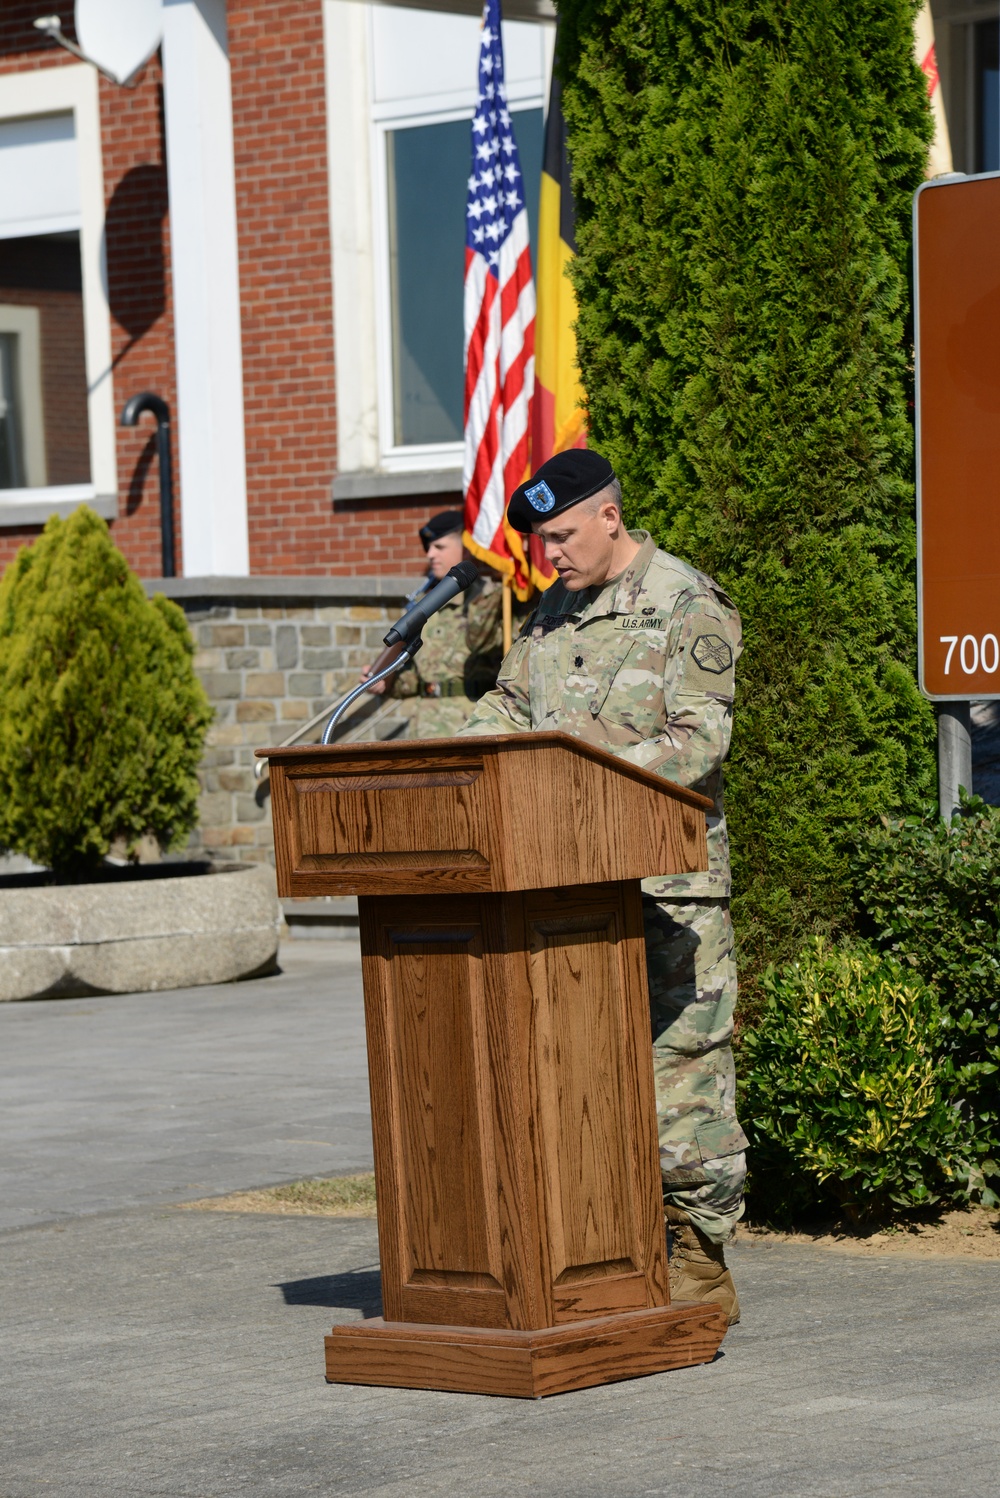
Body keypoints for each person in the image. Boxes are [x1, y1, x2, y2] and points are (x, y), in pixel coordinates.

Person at [458, 449, 746, 1324]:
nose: (550, 556)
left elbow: (698, 744)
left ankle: (698, 1260)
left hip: (668, 892)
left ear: (609, 517)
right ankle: (595, 1252)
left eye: (561, 536)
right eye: (543, 542)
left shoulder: (688, 604)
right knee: (576, 1083)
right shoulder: (553, 611)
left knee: (678, 1082)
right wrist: (453, 758)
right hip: (562, 890)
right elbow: (507, 709)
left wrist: (584, 781)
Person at [361, 510, 504, 738]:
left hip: (471, 724)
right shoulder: (424, 605)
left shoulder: (491, 598)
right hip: (425, 727)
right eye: (429, 548)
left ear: (465, 547)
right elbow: (417, 678)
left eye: (439, 547)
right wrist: (386, 680)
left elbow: (489, 649)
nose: (430, 554)